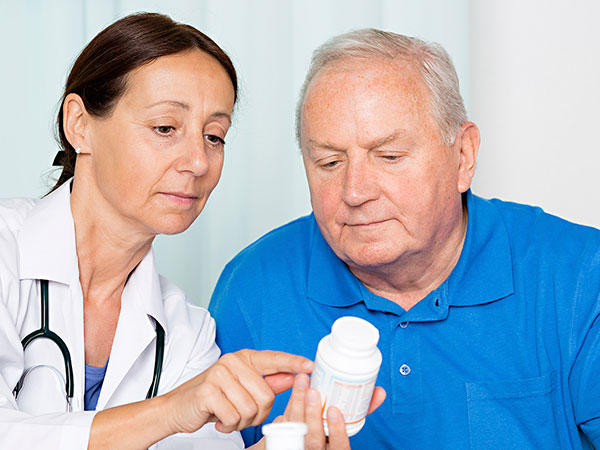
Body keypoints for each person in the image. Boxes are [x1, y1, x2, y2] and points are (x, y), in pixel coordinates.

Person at [209, 28, 600, 449]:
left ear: (463, 156)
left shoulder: (578, 275)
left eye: (389, 157)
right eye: (329, 161)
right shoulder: (253, 287)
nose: (355, 192)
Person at [0, 12, 320, 449]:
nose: (199, 162)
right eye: (165, 128)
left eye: (214, 136)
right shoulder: (6, 247)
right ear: (80, 124)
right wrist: (170, 411)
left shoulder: (187, 333)